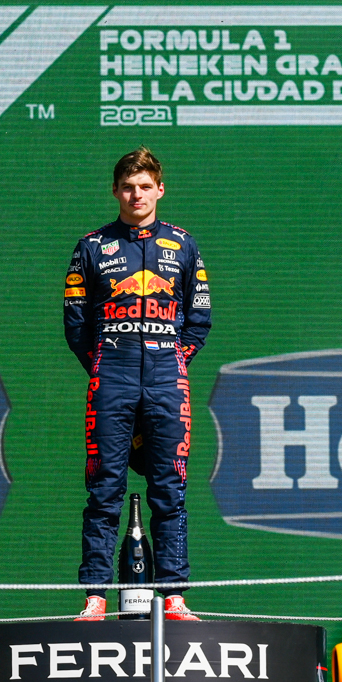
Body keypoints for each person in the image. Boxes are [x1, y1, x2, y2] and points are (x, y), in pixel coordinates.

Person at [63, 148, 211, 621]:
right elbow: (75, 324)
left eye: (145, 186)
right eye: (128, 187)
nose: (136, 195)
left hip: (168, 379)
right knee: (104, 489)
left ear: (160, 189)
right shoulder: (91, 246)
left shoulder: (183, 245)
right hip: (112, 378)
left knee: (170, 490)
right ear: (115, 191)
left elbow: (200, 318)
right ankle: (95, 596)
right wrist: (105, 365)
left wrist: (173, 360)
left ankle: (174, 596)